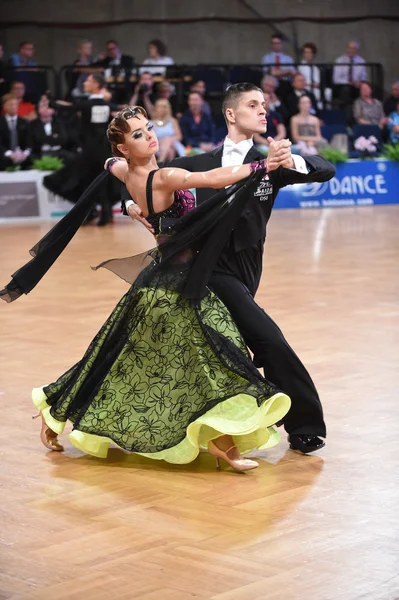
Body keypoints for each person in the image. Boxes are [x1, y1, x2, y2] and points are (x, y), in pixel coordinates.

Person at [1, 105, 293, 473]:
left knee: (126, 359)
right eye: (138, 135)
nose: (150, 135)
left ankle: (221, 441)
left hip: (161, 282)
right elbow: (215, 179)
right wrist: (261, 166)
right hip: (176, 288)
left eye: (148, 128)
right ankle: (222, 442)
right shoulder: (164, 175)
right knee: (216, 357)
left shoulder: (124, 170)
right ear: (125, 147)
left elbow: (109, 167)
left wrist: (129, 206)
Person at [122, 83, 336, 454]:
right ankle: (304, 423)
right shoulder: (196, 163)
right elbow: (145, 179)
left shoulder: (272, 162)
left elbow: (325, 170)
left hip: (248, 267)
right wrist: (132, 206)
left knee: (219, 346)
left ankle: (198, 423)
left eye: (264, 105)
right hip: (206, 266)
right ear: (231, 114)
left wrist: (292, 161)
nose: (263, 111)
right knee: (268, 340)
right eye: (253, 105)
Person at [44, 73, 118, 225]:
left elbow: (66, 107)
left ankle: (95, 212)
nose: (85, 83)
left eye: (89, 80)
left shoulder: (87, 104)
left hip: (90, 151)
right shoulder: (106, 105)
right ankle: (101, 212)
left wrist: (50, 101)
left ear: (96, 85)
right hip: (103, 150)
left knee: (84, 180)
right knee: (95, 180)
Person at [332, 41, 367, 117]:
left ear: (357, 50)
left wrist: (360, 82)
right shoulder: (339, 61)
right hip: (342, 87)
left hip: (356, 87)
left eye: (354, 48)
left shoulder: (361, 61)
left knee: (366, 89)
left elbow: (364, 77)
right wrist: (348, 82)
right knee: (346, 90)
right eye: (350, 48)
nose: (351, 50)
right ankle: (347, 117)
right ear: (347, 49)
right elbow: (336, 79)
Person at [0, 93, 31, 171]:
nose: (14, 107)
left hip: (22, 155)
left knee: (32, 159)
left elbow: (29, 142)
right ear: (4, 106)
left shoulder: (24, 122)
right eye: (10, 105)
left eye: (15, 104)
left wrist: (25, 153)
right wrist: (9, 154)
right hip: (4, 155)